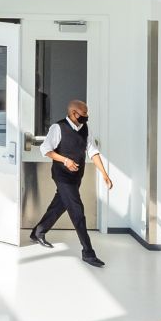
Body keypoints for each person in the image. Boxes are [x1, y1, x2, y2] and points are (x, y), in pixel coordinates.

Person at [28, 100, 113, 266]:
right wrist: (65, 160)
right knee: (77, 211)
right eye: (83, 115)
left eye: (87, 115)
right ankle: (88, 253)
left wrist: (104, 174)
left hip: (76, 177)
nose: (86, 118)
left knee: (59, 205)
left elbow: (92, 151)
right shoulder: (58, 128)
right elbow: (45, 150)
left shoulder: (85, 129)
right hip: (62, 176)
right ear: (73, 113)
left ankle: (38, 232)